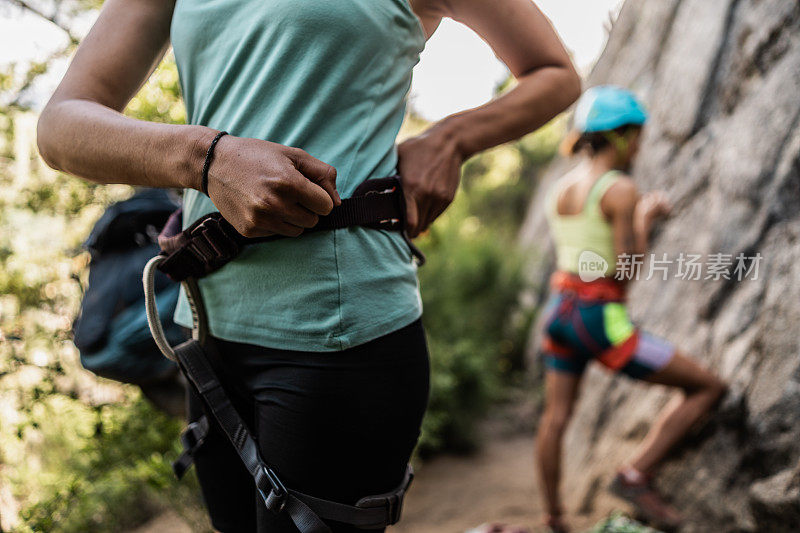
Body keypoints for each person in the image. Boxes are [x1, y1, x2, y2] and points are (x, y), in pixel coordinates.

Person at [36, 0, 580, 531]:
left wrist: (453, 138)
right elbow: (61, 126)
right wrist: (207, 158)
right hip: (206, 331)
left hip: (340, 335)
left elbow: (554, 72)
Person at [535, 86, 727, 532]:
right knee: (707, 387)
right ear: (619, 136)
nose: (640, 146)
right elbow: (624, 270)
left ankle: (553, 516)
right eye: (637, 136)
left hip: (559, 316)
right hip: (600, 320)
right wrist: (644, 217)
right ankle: (636, 474)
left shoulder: (561, 189)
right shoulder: (619, 189)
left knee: (554, 418)